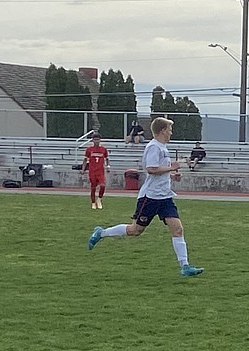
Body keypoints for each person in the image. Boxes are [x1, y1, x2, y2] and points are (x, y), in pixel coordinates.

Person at [87, 117, 204, 278]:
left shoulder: (162, 147)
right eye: (169, 129)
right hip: (150, 197)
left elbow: (159, 172)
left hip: (165, 197)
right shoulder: (154, 147)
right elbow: (151, 169)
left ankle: (185, 266)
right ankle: (101, 233)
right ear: (162, 130)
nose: (171, 132)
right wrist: (171, 167)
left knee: (177, 229)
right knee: (135, 230)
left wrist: (171, 175)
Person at [81, 131, 110, 209]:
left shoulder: (103, 149)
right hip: (92, 171)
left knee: (103, 186)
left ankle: (99, 199)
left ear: (100, 140)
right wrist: (83, 169)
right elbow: (85, 160)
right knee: (93, 187)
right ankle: (93, 202)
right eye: (95, 139)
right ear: (92, 140)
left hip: (100, 171)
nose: (96, 141)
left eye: (98, 139)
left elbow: (107, 159)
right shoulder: (89, 149)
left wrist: (108, 166)